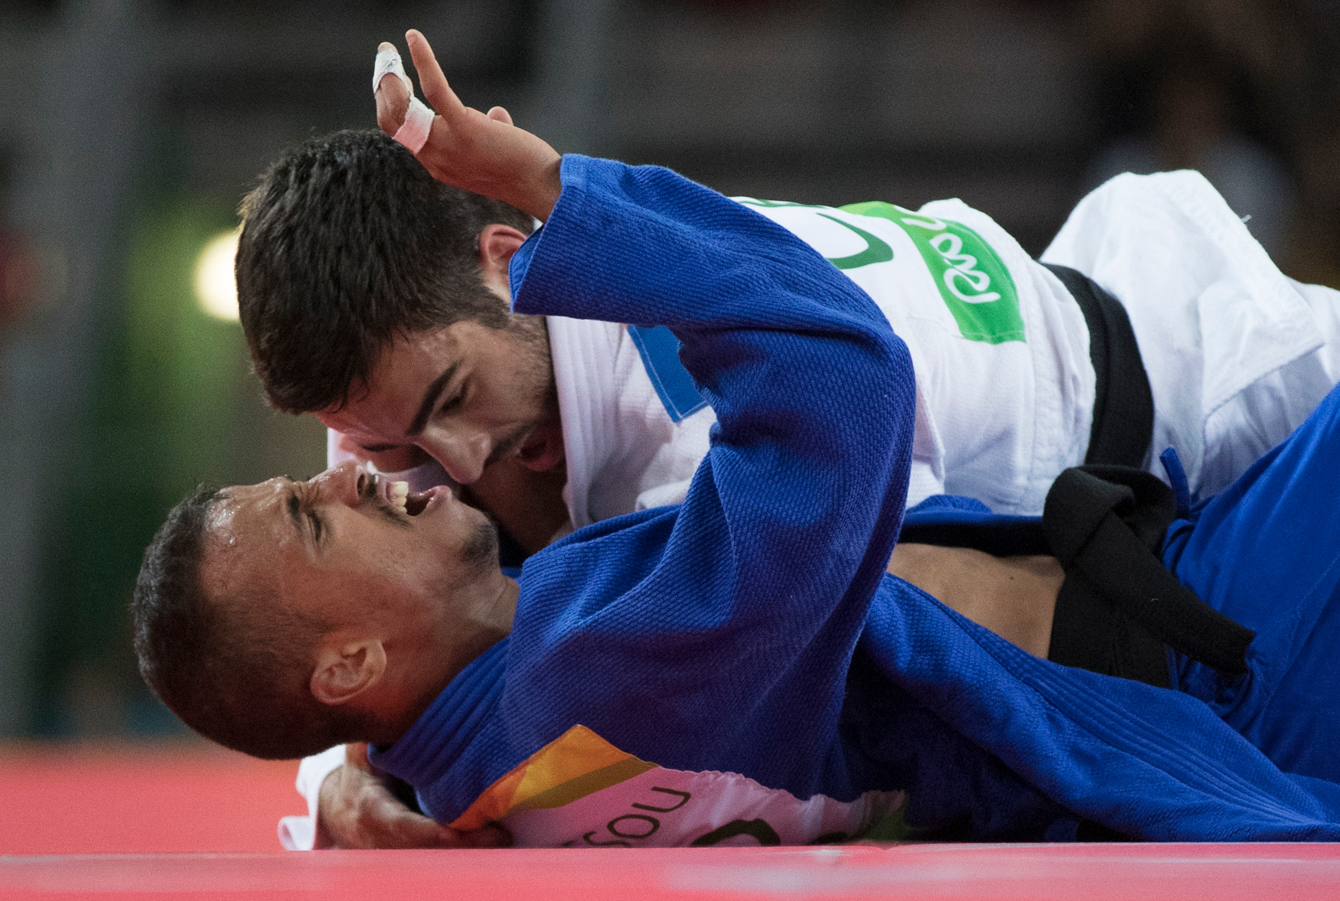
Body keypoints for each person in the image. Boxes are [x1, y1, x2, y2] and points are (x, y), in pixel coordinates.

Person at [135, 31, 1340, 846]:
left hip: (1205, 396)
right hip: (1168, 630)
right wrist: (342, 769)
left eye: (449, 406)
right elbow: (311, 634)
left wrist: (367, 773)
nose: (437, 472)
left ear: (512, 269)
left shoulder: (678, 440)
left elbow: (346, 642)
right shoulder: (561, 587)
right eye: (377, 458)